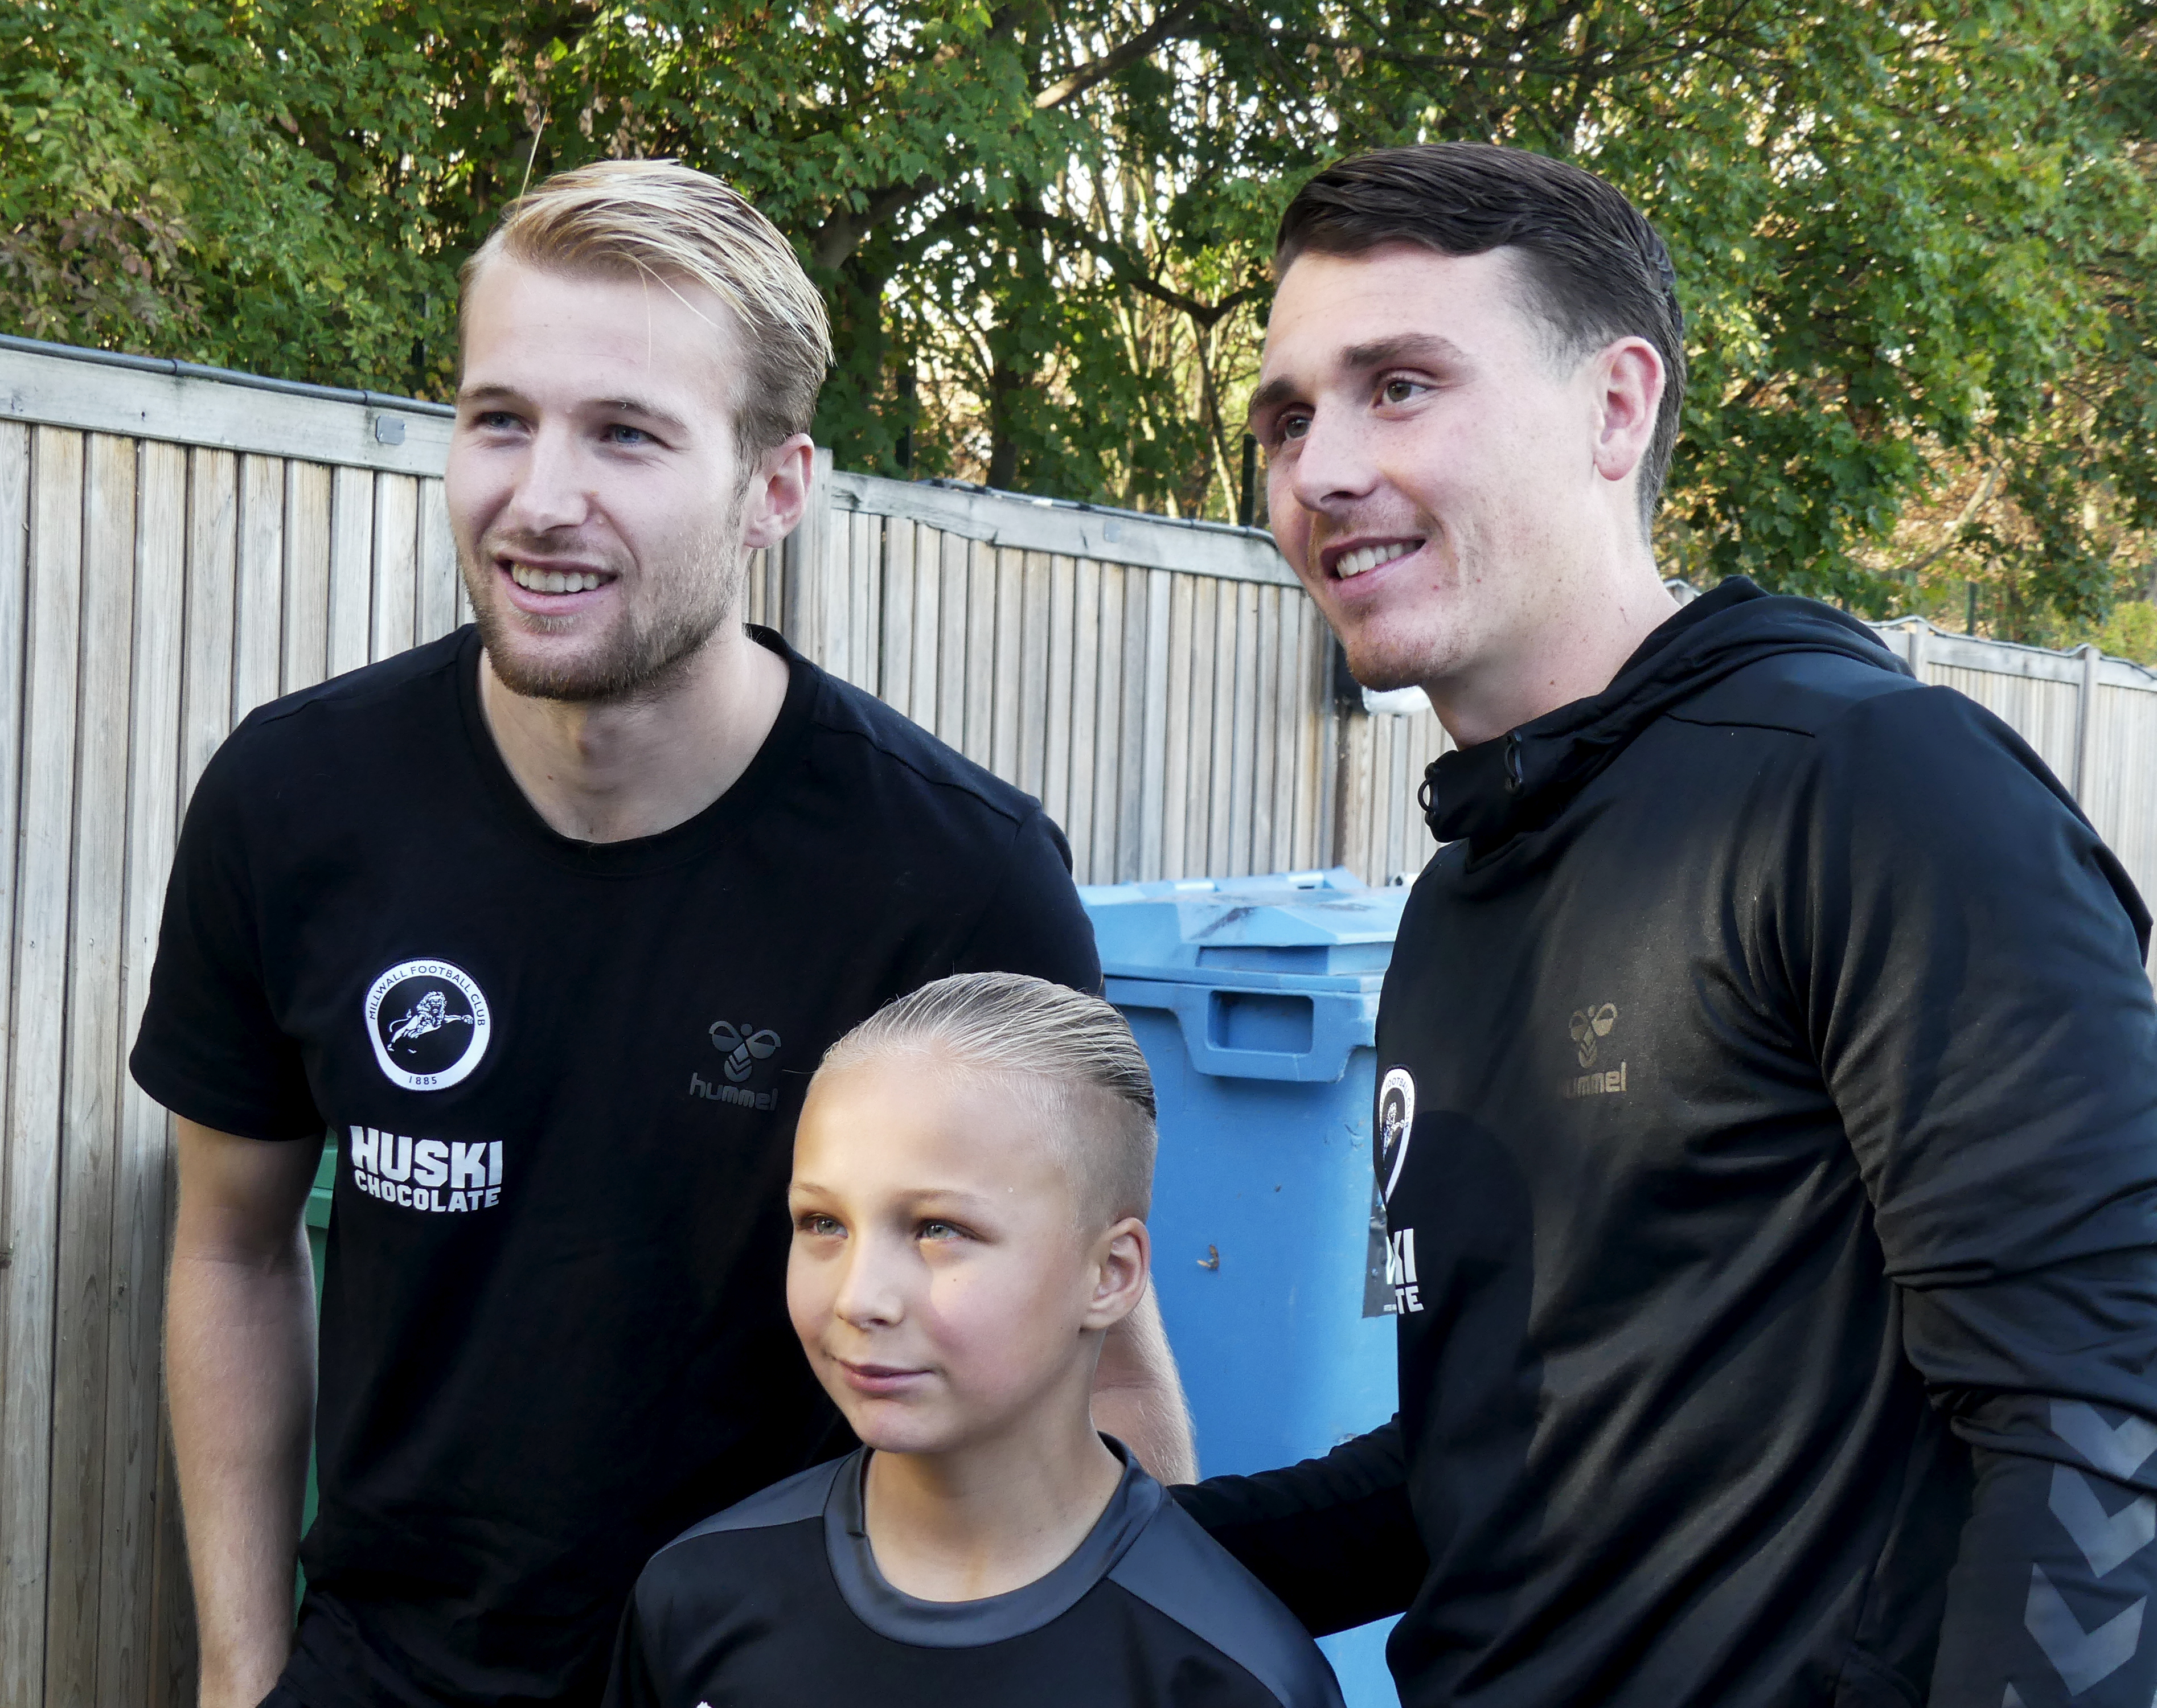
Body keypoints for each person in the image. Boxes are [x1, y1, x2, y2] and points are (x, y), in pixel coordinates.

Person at [134, 161, 1191, 1708]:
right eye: (501, 419)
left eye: (626, 434)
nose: (540, 497)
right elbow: (231, 1245)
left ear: (776, 489)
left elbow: (1100, 1350)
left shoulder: (957, 878)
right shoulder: (296, 804)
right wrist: (241, 1673)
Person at [1173, 141, 2157, 1708]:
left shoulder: (1867, 788)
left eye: (1400, 386)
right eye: (1288, 418)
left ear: (1614, 410)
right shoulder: (1459, 899)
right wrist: (1067, 1552)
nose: (1322, 470)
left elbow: (2099, 1416)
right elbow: (1476, 1467)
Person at [606, 972, 1344, 1708]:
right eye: (823, 1223)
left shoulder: (1226, 1674)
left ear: (1110, 1274)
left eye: (939, 1229)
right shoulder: (696, 1601)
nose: (859, 1298)